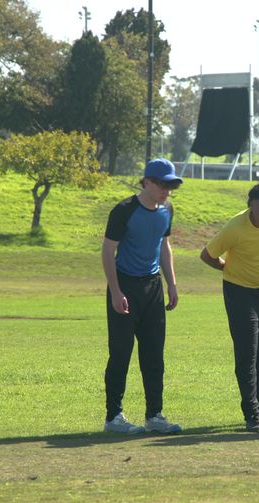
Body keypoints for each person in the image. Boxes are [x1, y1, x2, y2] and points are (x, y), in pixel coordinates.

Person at [200, 183, 259, 433]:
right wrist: (229, 268)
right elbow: (207, 255)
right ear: (250, 205)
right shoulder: (234, 228)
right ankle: (251, 413)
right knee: (247, 353)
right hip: (239, 291)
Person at [100, 158, 184, 435]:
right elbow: (107, 251)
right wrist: (115, 291)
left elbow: (164, 244)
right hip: (125, 286)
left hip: (152, 288)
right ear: (147, 182)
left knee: (153, 355)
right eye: (162, 184)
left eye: (170, 185)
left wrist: (171, 283)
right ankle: (113, 418)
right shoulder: (124, 210)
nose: (166, 191)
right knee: (121, 354)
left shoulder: (167, 209)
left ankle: (154, 415)